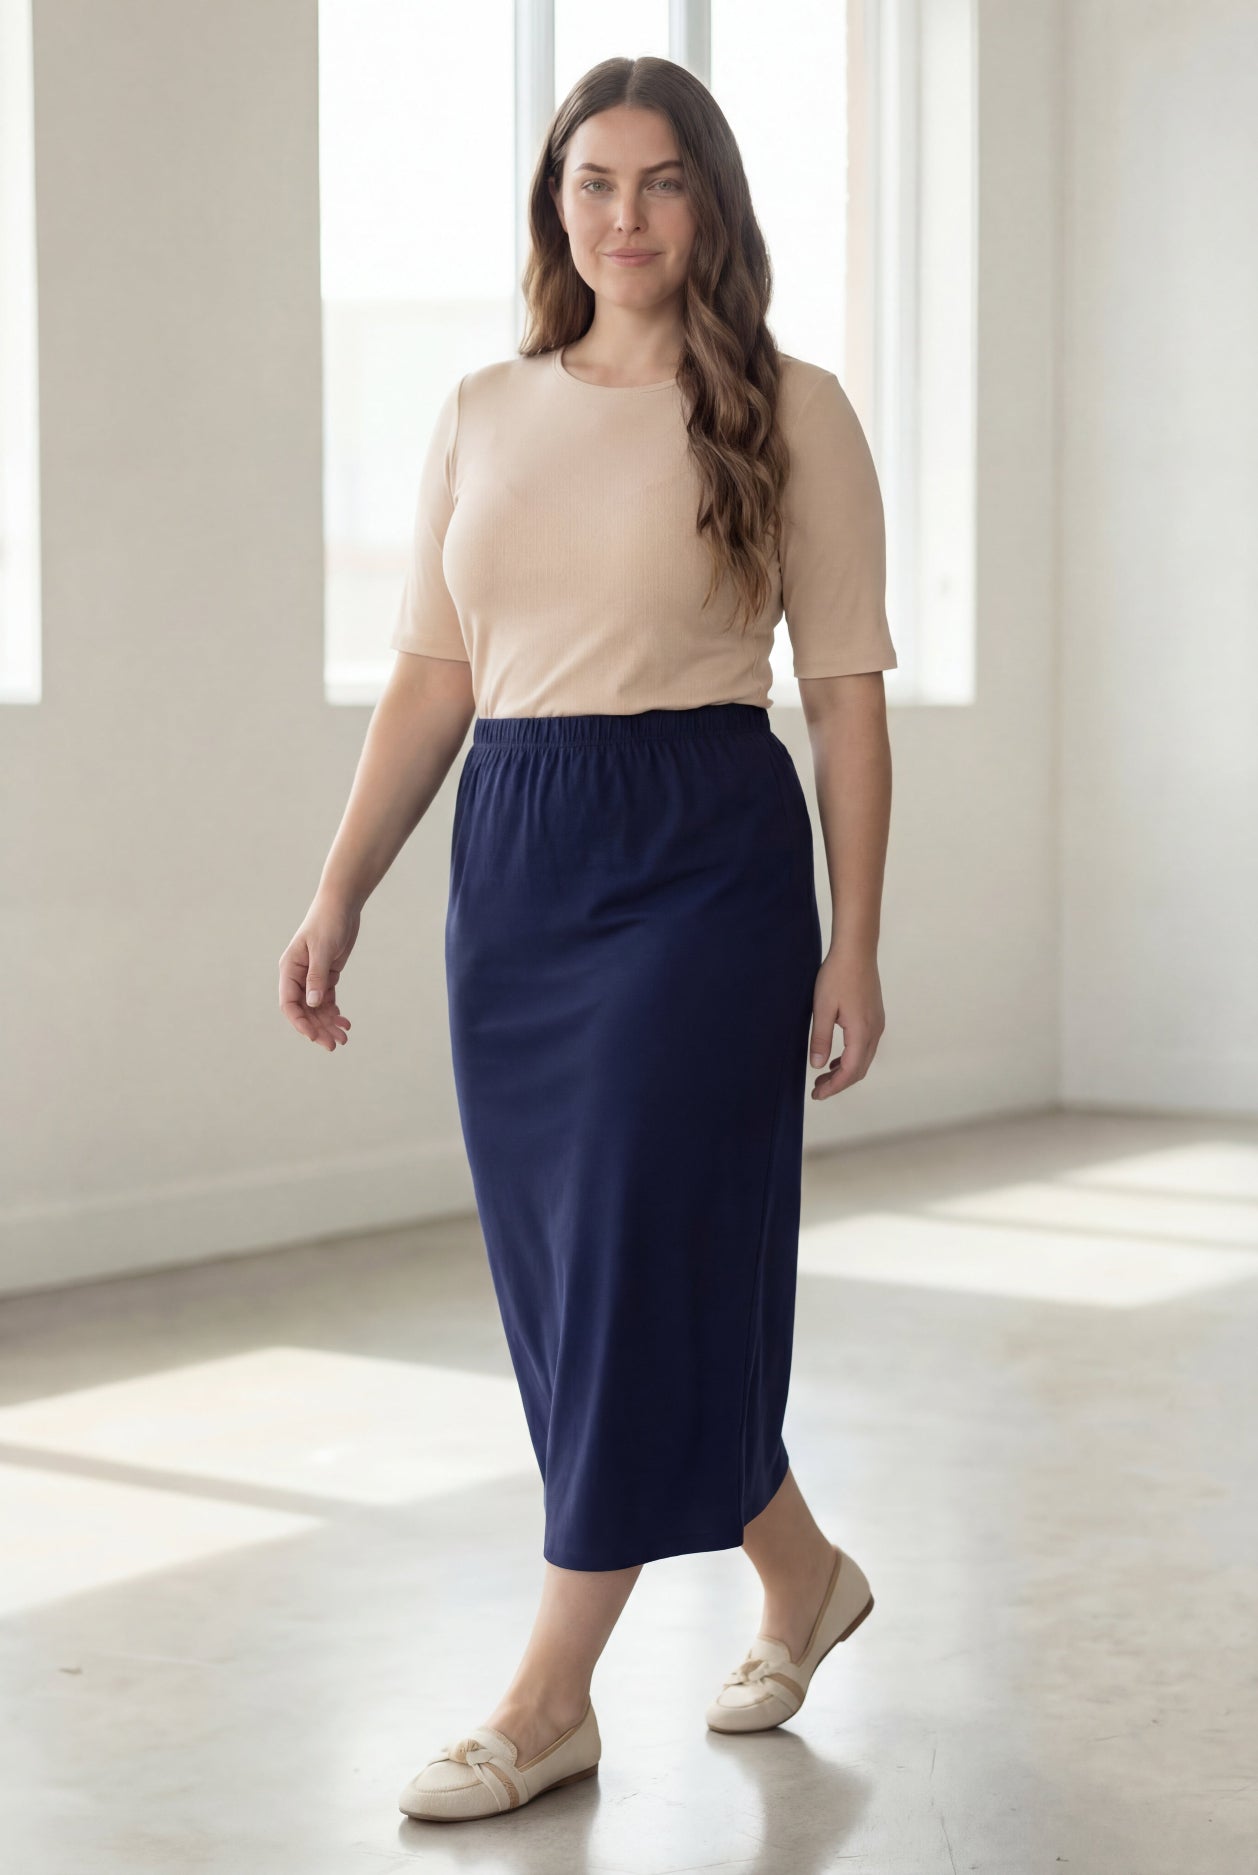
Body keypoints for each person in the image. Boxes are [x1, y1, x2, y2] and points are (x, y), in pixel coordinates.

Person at [279, 55, 894, 1825]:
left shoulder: (792, 406)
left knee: (631, 1251)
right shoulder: (481, 407)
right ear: (557, 210)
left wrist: (853, 947)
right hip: (521, 861)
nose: (623, 216)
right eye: (590, 184)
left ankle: (547, 1700)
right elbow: (433, 678)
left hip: (703, 850)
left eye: (660, 182)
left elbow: (845, 704)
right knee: (582, 1288)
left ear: (712, 203)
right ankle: (801, 1574)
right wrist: (341, 889)